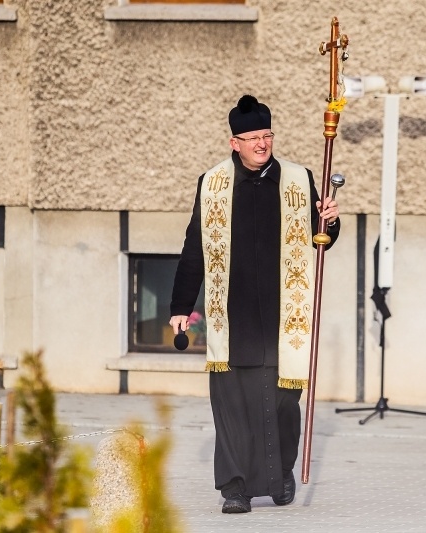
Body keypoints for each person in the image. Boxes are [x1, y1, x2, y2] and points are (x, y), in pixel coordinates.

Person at [169, 94, 340, 514]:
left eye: (267, 135)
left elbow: (320, 239)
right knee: (232, 406)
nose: (262, 144)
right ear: (235, 143)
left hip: (284, 314)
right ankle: (235, 488)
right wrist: (180, 306)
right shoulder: (213, 183)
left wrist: (331, 222)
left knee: (283, 407)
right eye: (253, 138)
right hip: (233, 315)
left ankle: (281, 475)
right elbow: (195, 247)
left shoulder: (298, 179)